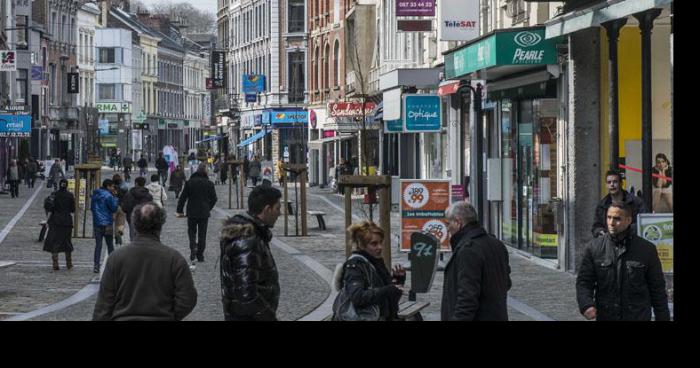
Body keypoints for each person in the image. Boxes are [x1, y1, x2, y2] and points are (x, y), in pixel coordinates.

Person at [92, 203, 197, 321]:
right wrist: (169, 314)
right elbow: (188, 298)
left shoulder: (116, 258)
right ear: (160, 225)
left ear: (134, 224)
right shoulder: (174, 259)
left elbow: (104, 303)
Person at [576, 201, 670, 321]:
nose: (611, 223)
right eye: (609, 217)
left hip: (637, 316)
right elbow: (584, 282)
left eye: (617, 219)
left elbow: (658, 290)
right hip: (607, 315)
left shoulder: (646, 249)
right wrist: (586, 304)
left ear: (628, 220)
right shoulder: (594, 248)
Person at [219, 185, 282, 321]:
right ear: (267, 209)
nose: (280, 213)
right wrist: (269, 316)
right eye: (277, 208)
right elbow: (246, 294)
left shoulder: (254, 235)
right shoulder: (247, 241)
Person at [441, 201, 511, 321]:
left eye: (448, 223)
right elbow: (506, 283)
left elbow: (467, 298)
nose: (447, 229)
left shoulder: (468, 250)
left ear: (458, 222)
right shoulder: (497, 244)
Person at [333, 221, 405, 321]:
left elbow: (391, 299)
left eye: (380, 242)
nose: (379, 247)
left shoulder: (377, 261)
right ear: (362, 245)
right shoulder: (355, 265)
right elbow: (357, 297)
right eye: (374, 244)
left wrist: (398, 279)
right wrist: (387, 290)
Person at [176, 163, 217, 263]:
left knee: (191, 231)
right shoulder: (209, 184)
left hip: (192, 212)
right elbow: (214, 199)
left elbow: (183, 198)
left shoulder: (190, 182)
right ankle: (200, 255)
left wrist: (179, 210)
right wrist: (208, 208)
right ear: (205, 171)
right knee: (202, 234)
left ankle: (193, 245)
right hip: (204, 212)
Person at [592, 170, 646, 238]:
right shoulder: (602, 205)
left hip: (632, 241)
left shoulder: (636, 202)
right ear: (606, 185)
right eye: (609, 182)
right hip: (610, 242)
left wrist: (623, 230)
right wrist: (601, 232)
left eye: (615, 182)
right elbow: (596, 227)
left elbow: (642, 223)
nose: (612, 185)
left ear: (621, 183)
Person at [43, 179, 75, 271]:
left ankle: (55, 264)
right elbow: (73, 209)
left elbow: (50, 207)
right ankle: (69, 263)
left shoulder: (55, 195)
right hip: (67, 221)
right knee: (67, 241)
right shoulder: (70, 195)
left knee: (55, 242)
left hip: (56, 220)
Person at [91, 179, 119, 273]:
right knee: (110, 244)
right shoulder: (109, 196)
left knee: (98, 245)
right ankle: (113, 265)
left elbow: (92, 208)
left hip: (97, 223)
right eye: (112, 186)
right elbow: (114, 208)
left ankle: (96, 265)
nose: (113, 188)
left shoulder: (95, 195)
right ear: (108, 186)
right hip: (107, 223)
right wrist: (115, 197)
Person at [121, 176, 153, 241]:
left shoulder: (128, 194)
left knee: (132, 234)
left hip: (131, 216)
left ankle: (133, 247)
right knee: (143, 234)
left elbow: (124, 207)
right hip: (144, 218)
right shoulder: (148, 195)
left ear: (136, 183)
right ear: (144, 184)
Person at [111, 174, 129, 246]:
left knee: (115, 223)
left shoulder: (112, 188)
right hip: (122, 207)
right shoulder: (124, 188)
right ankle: (120, 232)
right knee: (121, 222)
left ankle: (116, 236)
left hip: (114, 207)